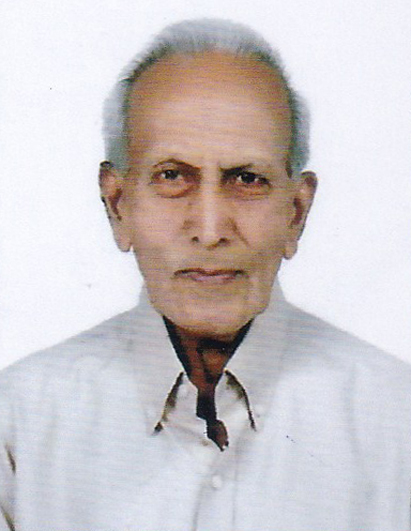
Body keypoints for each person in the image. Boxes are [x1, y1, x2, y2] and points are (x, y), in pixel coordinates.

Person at [1, 18, 410, 531]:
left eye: (248, 179)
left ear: (296, 212)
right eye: (172, 176)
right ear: (118, 205)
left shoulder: (397, 422)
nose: (211, 230)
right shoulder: (19, 424)